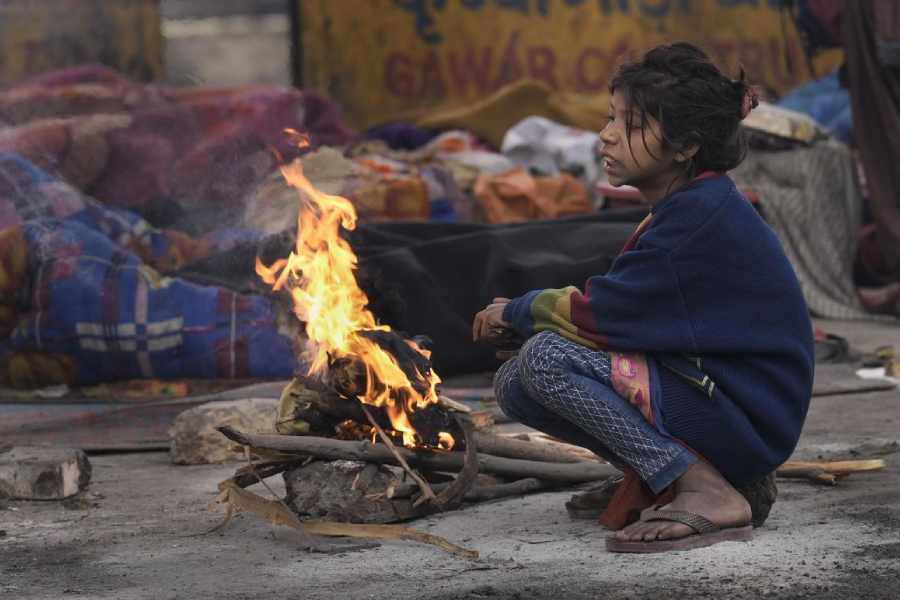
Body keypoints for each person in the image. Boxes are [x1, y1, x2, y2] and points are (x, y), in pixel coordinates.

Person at [472, 42, 814, 553]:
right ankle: (667, 478)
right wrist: (530, 322)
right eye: (611, 118)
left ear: (685, 146)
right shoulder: (690, 204)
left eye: (631, 124)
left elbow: (603, 315)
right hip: (718, 399)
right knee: (515, 383)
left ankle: (706, 488)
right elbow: (625, 312)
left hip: (745, 417)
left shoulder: (698, 219)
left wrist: (521, 312)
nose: (607, 135)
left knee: (544, 360)